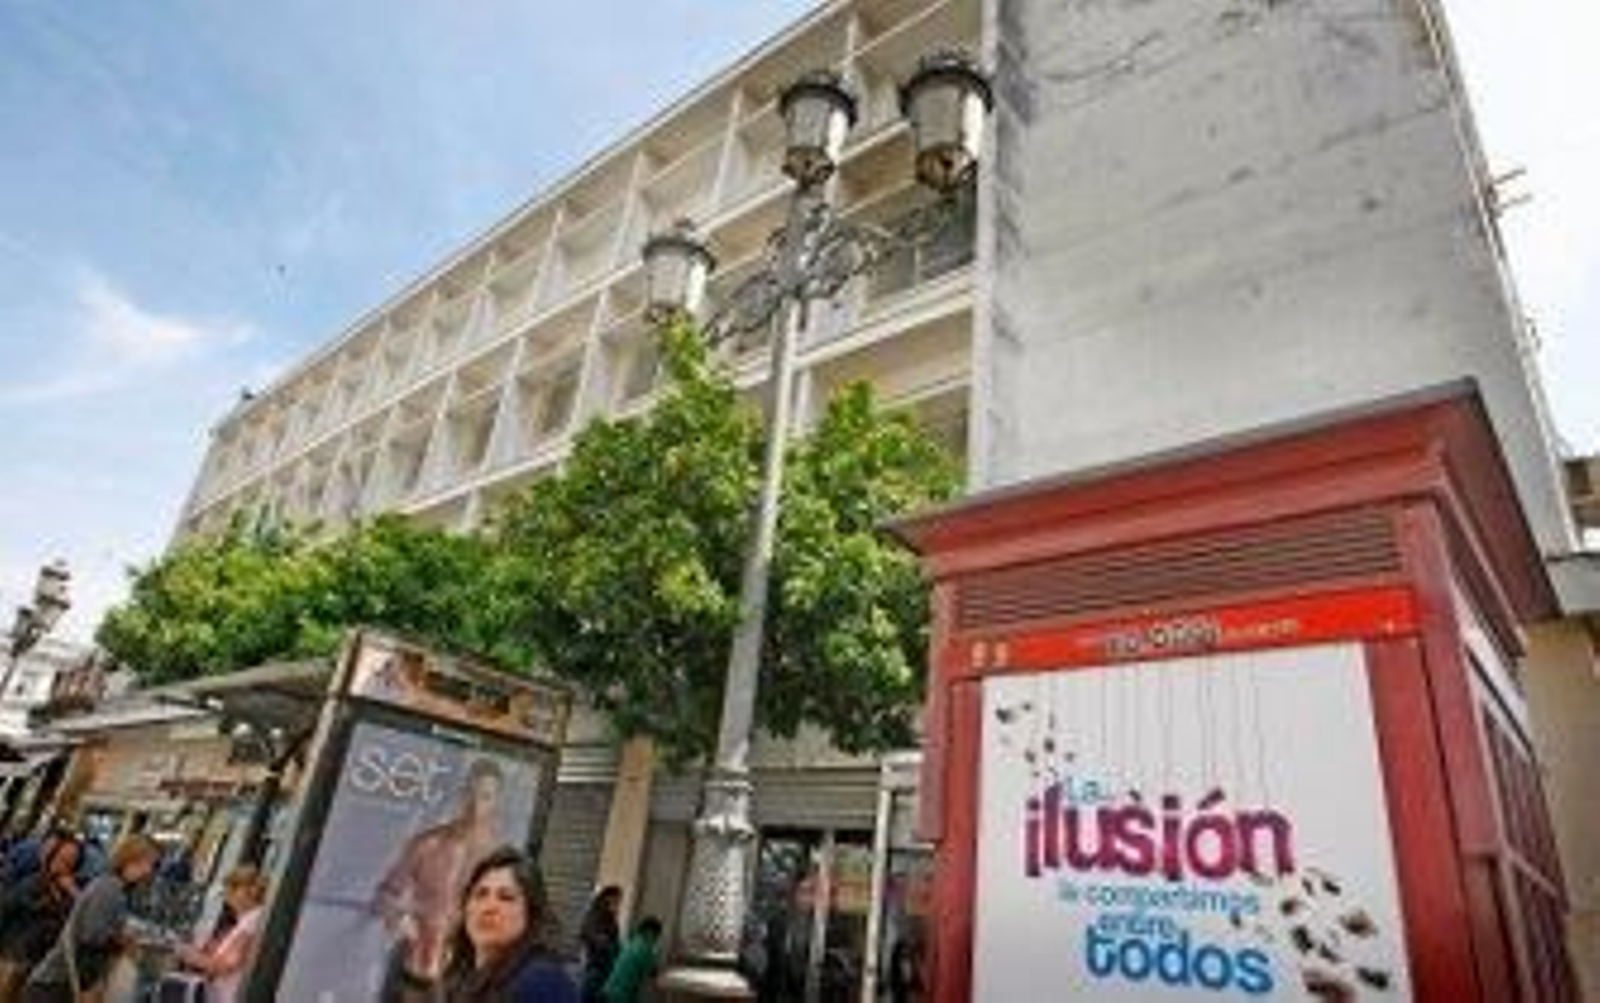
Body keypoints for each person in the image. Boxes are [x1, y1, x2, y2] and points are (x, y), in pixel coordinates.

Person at [373, 759, 507, 984]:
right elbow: (384, 896)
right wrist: (400, 918)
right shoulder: (428, 844)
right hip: (412, 962)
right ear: (461, 794)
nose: (475, 805)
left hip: (461, 976)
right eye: (470, 794)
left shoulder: (500, 861)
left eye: (485, 797)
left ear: (496, 802)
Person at [22, 834, 161, 1003]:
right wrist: (123, 942)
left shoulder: (115, 887)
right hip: (55, 985)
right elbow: (93, 938)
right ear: (132, 859)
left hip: (57, 983)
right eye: (149, 864)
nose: (149, 871)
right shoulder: (110, 888)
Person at [438, 846, 576, 1003]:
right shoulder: (458, 972)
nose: (488, 908)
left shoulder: (542, 982)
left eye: (506, 898)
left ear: (531, 913)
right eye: (480, 894)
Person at [0, 834, 81, 997]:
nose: (66, 862)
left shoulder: (66, 890)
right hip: (14, 957)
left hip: (36, 963)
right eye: (63, 857)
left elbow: (72, 921)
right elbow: (6, 909)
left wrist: (74, 894)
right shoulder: (33, 882)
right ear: (52, 855)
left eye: (72, 859)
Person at [172, 866, 268, 1003]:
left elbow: (224, 966)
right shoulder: (248, 920)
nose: (227, 898)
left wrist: (189, 955)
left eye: (232, 890)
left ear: (246, 892)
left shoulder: (251, 921)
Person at [577, 886, 621, 1003]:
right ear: (607, 898)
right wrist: (609, 945)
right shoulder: (596, 915)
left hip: (604, 969)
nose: (618, 904)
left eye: (619, 901)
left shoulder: (610, 918)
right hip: (595, 967)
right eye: (616, 900)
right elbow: (590, 936)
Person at [600, 917, 661, 1003]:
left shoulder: (633, 942)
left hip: (611, 990)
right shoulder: (644, 947)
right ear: (649, 932)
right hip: (620, 994)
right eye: (656, 935)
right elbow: (652, 971)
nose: (656, 939)